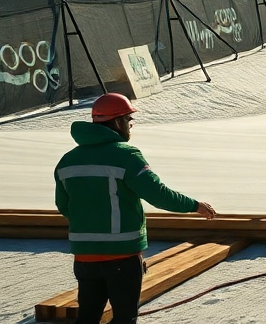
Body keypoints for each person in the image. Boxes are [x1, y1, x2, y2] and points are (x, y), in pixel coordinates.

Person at [54, 93, 217, 324]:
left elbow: (64, 205)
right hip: (122, 257)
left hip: (84, 257)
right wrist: (195, 205)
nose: (130, 127)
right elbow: (158, 194)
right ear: (118, 121)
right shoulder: (126, 155)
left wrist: (91, 223)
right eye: (129, 121)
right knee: (124, 318)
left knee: (88, 317)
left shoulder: (68, 161)